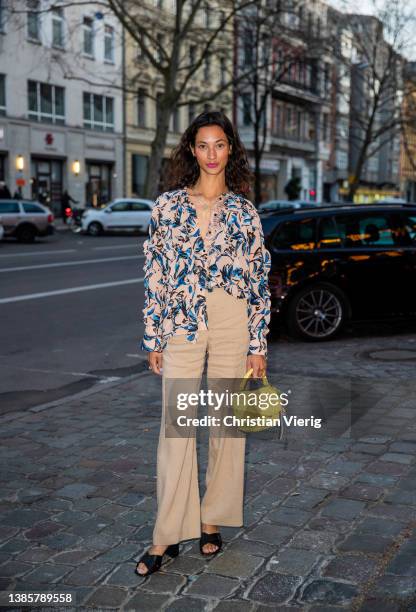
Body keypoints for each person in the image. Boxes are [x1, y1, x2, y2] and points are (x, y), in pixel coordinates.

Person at [136, 110, 271, 576]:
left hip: (233, 321)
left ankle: (212, 520)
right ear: (191, 151)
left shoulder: (244, 211)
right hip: (182, 324)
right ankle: (167, 535)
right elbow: (155, 276)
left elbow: (258, 280)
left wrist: (259, 343)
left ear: (230, 149)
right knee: (176, 428)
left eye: (220, 144)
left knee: (226, 428)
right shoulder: (168, 207)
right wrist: (154, 335)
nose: (212, 154)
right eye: (203, 145)